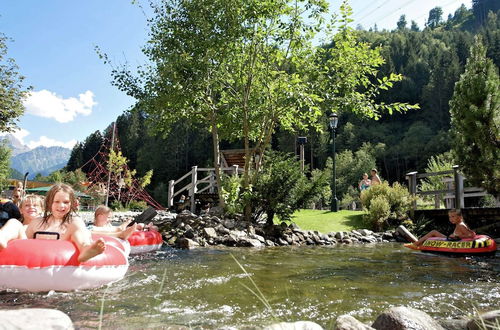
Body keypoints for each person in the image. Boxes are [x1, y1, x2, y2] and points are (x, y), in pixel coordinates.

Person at [23, 183, 106, 263]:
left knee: (76, 223)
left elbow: (83, 233)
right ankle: (8, 242)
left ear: (71, 204)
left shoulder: (74, 222)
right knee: (13, 222)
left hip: (62, 253)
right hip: (39, 257)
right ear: (49, 203)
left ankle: (85, 249)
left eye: (66, 202)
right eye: (57, 202)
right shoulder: (37, 222)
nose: (61, 206)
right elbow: (23, 242)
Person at [405, 209, 476, 249]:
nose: (451, 219)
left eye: (453, 216)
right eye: (450, 217)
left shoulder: (460, 225)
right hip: (451, 240)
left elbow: (471, 235)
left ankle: (415, 244)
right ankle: (419, 245)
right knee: (434, 232)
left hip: (452, 241)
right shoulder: (460, 224)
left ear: (459, 217)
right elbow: (472, 233)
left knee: (433, 232)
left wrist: (457, 236)